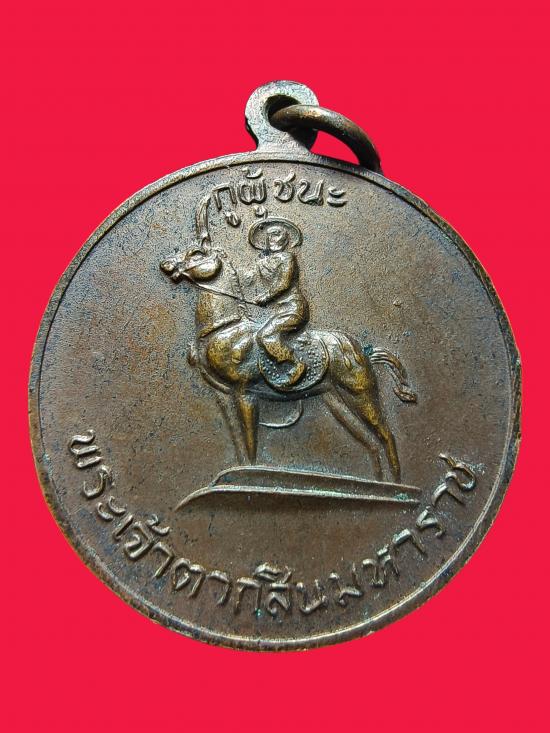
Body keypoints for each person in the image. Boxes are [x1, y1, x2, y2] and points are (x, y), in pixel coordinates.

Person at [245, 217, 309, 386]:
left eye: (278, 236)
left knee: (265, 336)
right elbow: (250, 281)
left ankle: (295, 364)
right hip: (276, 310)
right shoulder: (262, 262)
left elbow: (283, 284)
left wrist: (265, 297)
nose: (274, 240)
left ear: (285, 240)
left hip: (292, 308)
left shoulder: (287, 258)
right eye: (270, 236)